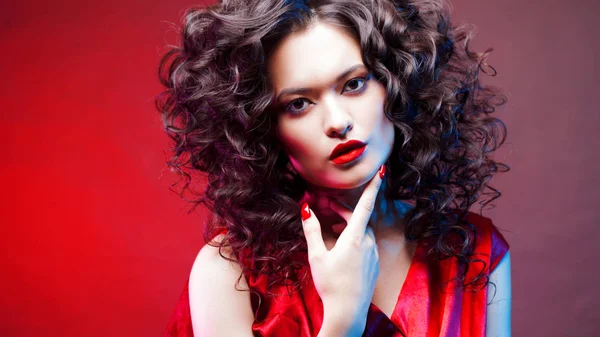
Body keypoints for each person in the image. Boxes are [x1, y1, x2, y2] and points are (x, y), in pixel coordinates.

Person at [156, 0, 511, 336]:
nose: (338, 121)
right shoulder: (229, 272)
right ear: (264, 130)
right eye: (299, 104)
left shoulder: (475, 251)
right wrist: (343, 321)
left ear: (396, 85)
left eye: (354, 84)